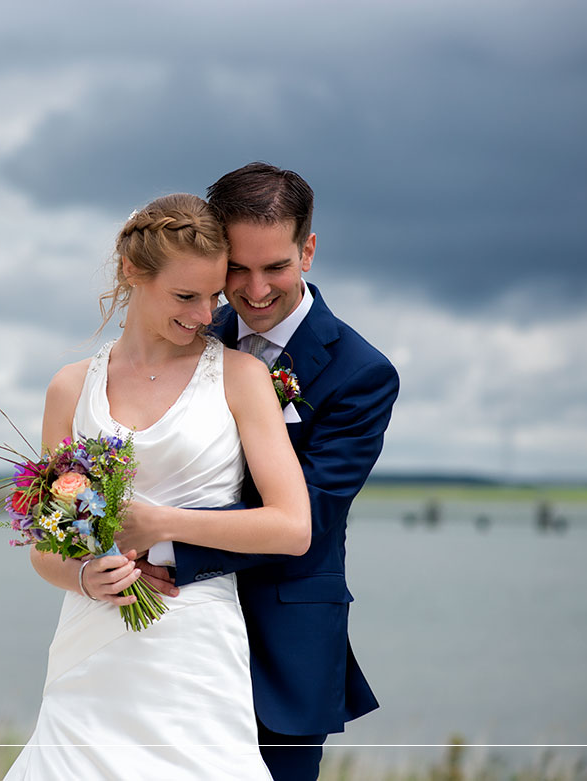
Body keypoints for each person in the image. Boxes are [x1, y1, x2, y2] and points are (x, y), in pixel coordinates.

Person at [4, 193, 312, 779]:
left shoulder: (242, 378)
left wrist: (161, 523)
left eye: (215, 297)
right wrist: (85, 577)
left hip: (193, 648)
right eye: (185, 296)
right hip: (90, 648)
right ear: (132, 273)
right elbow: (47, 547)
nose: (206, 315)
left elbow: (293, 527)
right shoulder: (69, 389)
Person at [126, 163, 400, 781]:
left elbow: (313, 511)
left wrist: (157, 542)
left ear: (307, 249)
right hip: (168, 634)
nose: (253, 291)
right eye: (237, 269)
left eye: (274, 266)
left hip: (283, 644)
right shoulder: (187, 333)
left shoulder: (360, 373)